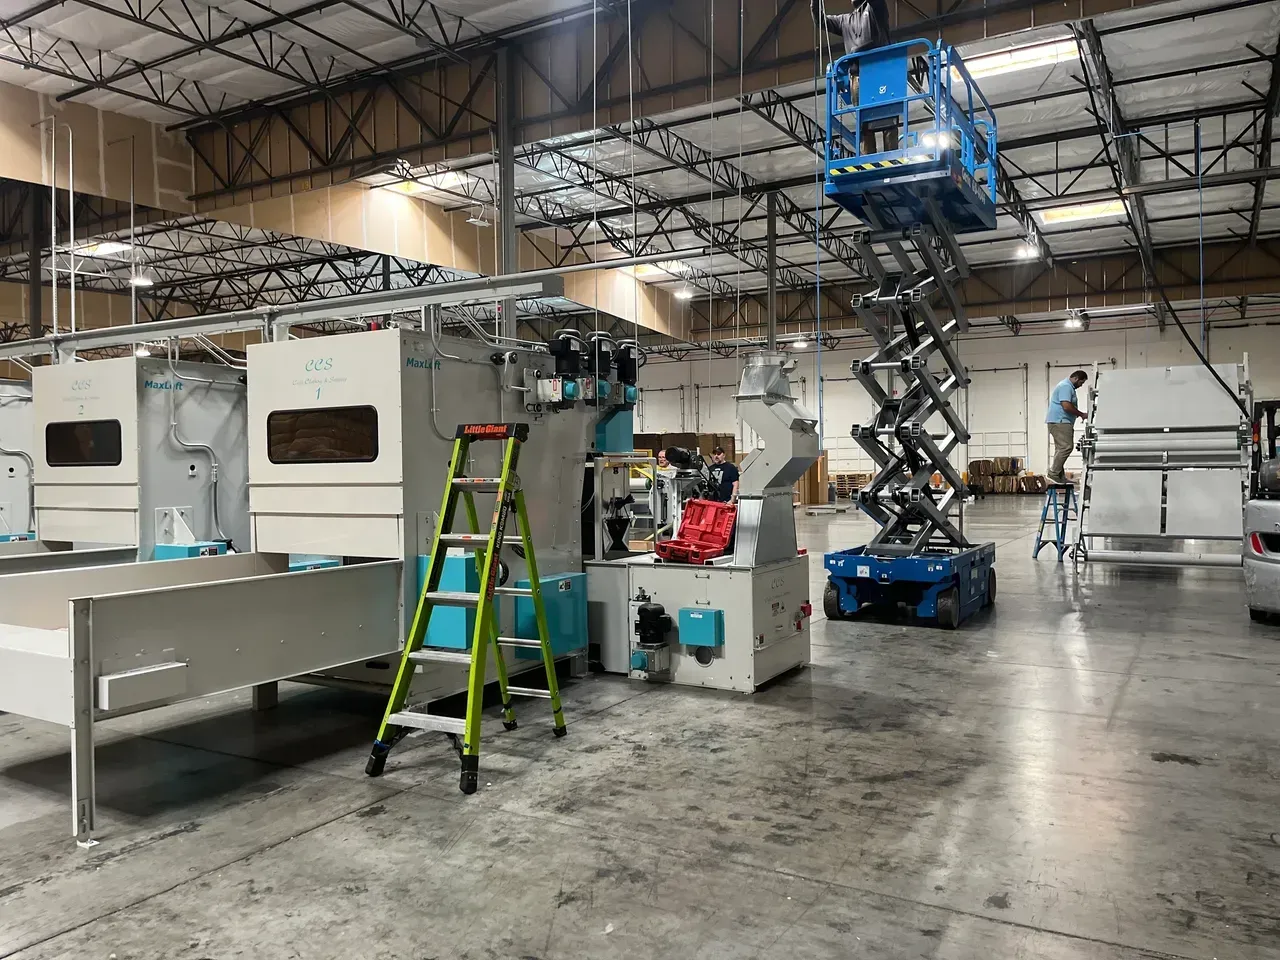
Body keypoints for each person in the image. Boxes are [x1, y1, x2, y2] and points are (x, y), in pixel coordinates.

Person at [811, 0, 897, 153]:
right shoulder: (844, 20)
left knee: (888, 119)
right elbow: (820, 20)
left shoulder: (875, 10)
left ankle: (893, 158)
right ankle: (867, 160)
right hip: (858, 77)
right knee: (864, 124)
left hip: (880, 71)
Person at [1046, 370, 1088, 484]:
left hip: (1060, 421)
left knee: (1060, 449)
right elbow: (1066, 406)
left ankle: (1059, 476)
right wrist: (1081, 414)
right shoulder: (1065, 386)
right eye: (1081, 382)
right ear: (1075, 378)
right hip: (1060, 421)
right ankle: (1053, 473)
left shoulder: (1066, 386)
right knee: (1066, 447)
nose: (1081, 385)